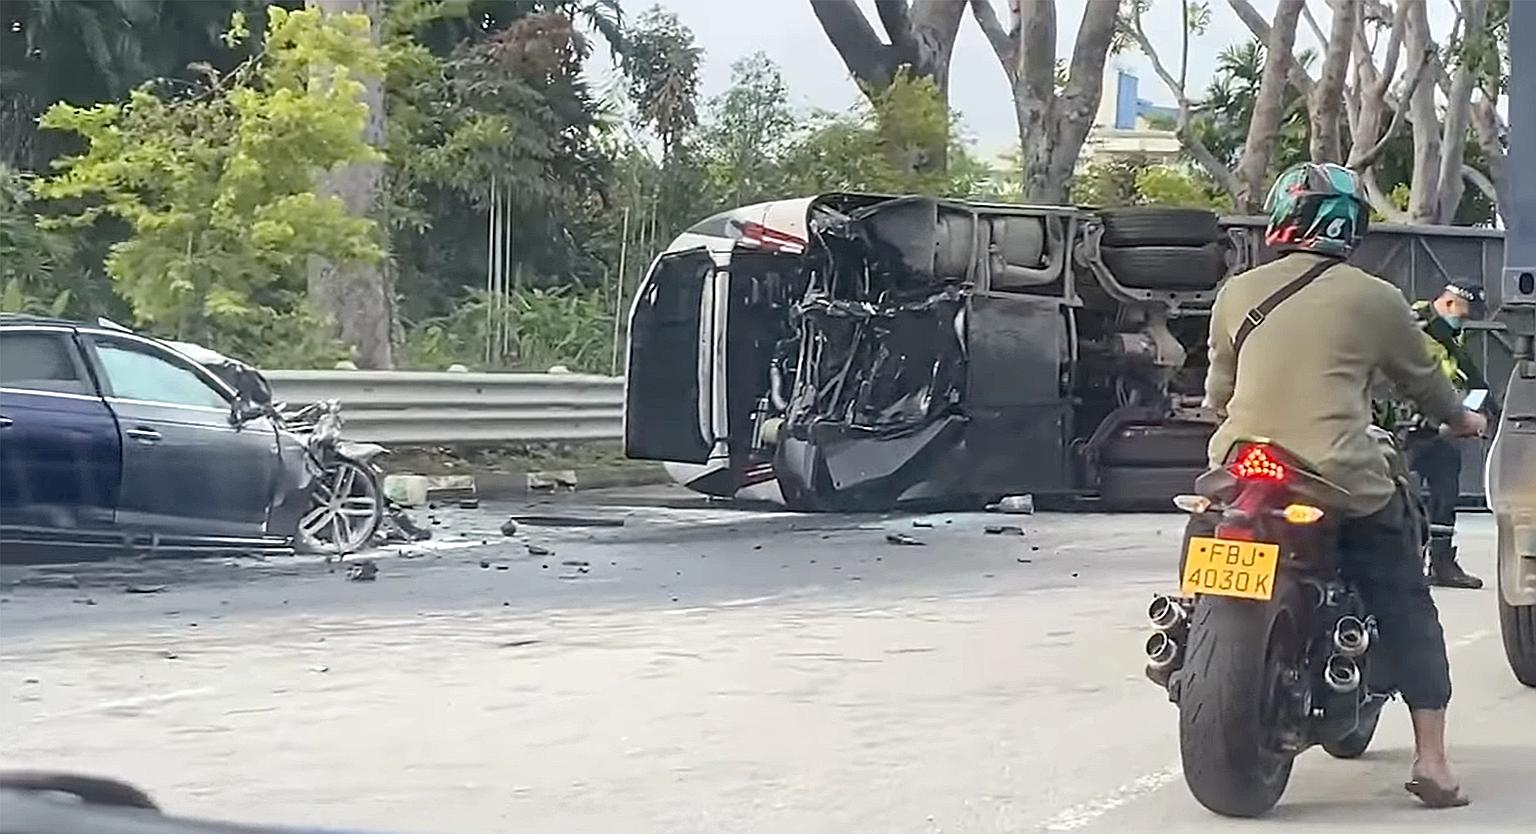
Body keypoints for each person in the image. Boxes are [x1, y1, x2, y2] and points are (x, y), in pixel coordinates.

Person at [1201, 163, 1486, 808]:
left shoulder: (1236, 293)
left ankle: (1190, 621)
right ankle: (1433, 763)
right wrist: (1463, 420)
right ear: (1349, 225)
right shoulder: (1375, 298)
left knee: (1206, 535)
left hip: (1240, 468)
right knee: (1406, 597)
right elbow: (1426, 384)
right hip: (1336, 475)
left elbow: (1219, 394)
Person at [1407, 280, 1488, 589]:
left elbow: (1456, 376)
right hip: (1410, 427)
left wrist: (1471, 410)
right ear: (1451, 303)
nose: (1463, 321)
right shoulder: (1415, 324)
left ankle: (1442, 562)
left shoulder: (1451, 335)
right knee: (1404, 497)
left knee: (1445, 496)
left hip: (1440, 426)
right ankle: (1408, 564)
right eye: (1464, 314)